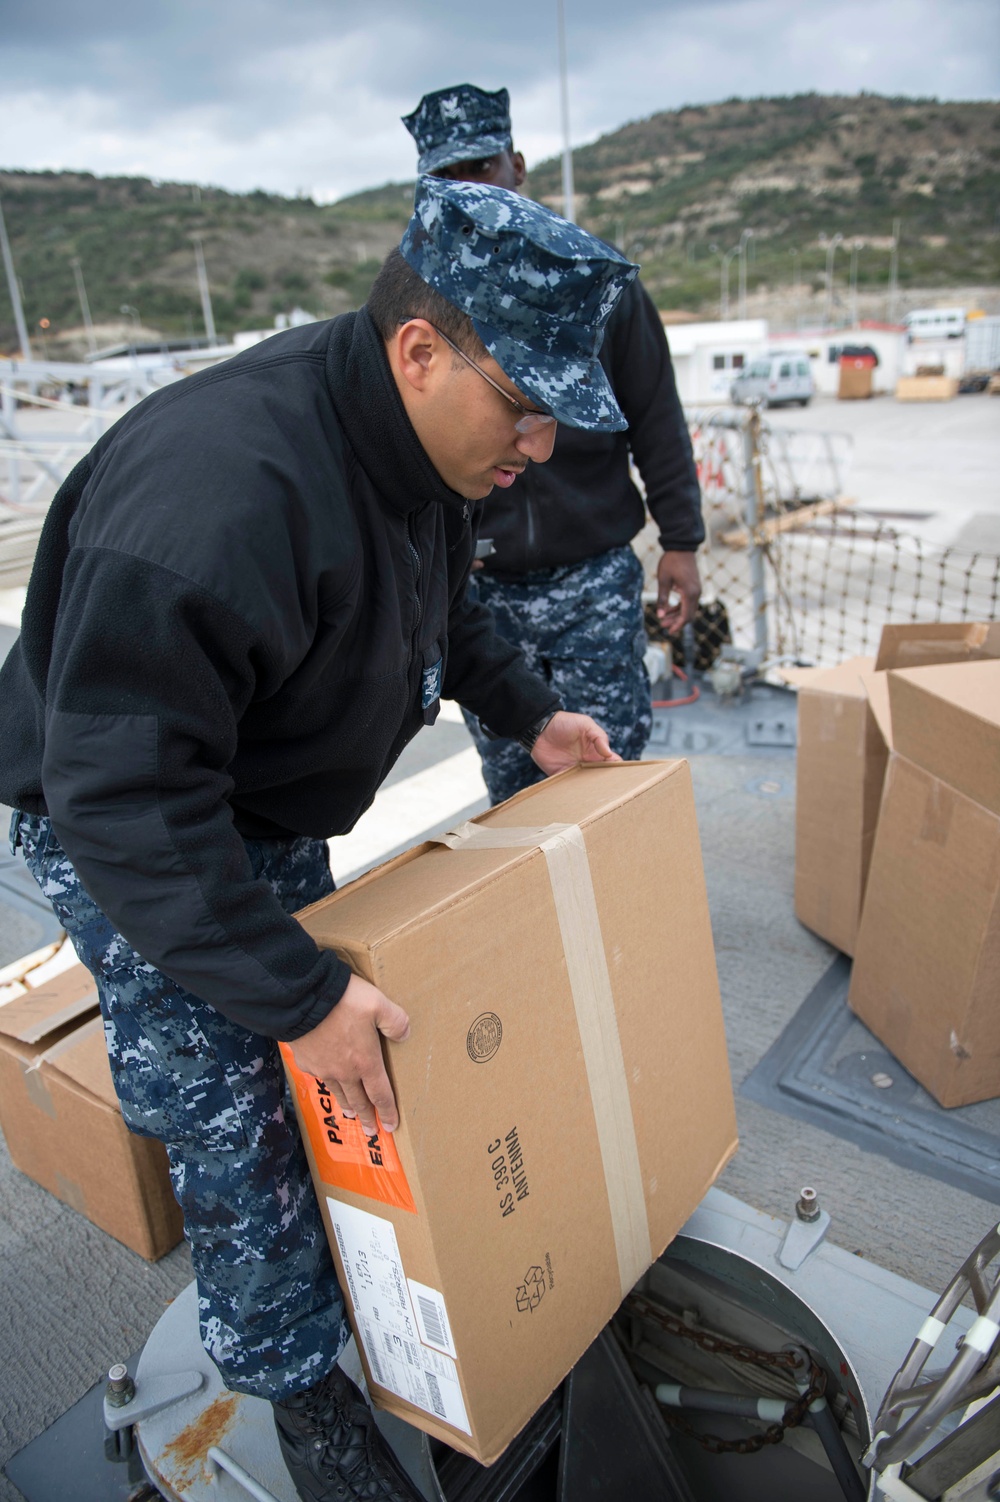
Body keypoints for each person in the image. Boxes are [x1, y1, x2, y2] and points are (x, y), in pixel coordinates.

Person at [0, 178, 637, 1502]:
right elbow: (123, 795)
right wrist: (292, 992)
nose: (538, 445)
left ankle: (373, 1290)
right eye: (525, 407)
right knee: (235, 1111)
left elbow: (441, 608)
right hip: (129, 816)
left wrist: (534, 709)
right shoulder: (219, 494)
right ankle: (298, 1388)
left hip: (251, 790)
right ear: (420, 351)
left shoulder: (420, 454)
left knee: (330, 1079)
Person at [403, 85, 705, 804]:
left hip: (591, 578)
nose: (471, 191)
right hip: (481, 593)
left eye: (483, 167)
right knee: (511, 783)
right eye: (448, 179)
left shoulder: (592, 282)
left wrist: (683, 540)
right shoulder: (417, 298)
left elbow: (656, 415)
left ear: (518, 164)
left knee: (611, 772)